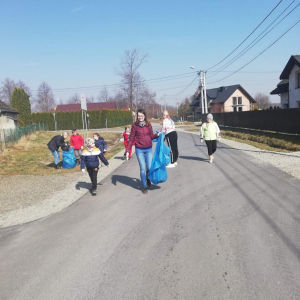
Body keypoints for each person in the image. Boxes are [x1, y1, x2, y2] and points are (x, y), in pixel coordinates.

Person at [126, 109, 159, 194]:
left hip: (148, 149)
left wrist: (157, 135)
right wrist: (127, 150)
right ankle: (144, 186)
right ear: (137, 116)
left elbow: (151, 136)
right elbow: (131, 139)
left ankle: (148, 178)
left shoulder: (148, 124)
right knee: (142, 168)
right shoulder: (134, 126)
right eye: (139, 116)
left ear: (145, 116)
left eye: (142, 116)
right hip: (139, 149)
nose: (140, 117)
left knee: (148, 167)